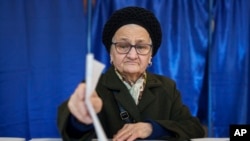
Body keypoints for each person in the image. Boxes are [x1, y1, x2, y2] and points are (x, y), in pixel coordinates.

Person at [57, 6, 205, 141]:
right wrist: (79, 120)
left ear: (150, 56)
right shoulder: (94, 86)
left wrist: (152, 128)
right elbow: (71, 129)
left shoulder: (167, 87)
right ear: (111, 53)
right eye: (123, 46)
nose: (132, 55)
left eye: (141, 47)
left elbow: (193, 128)